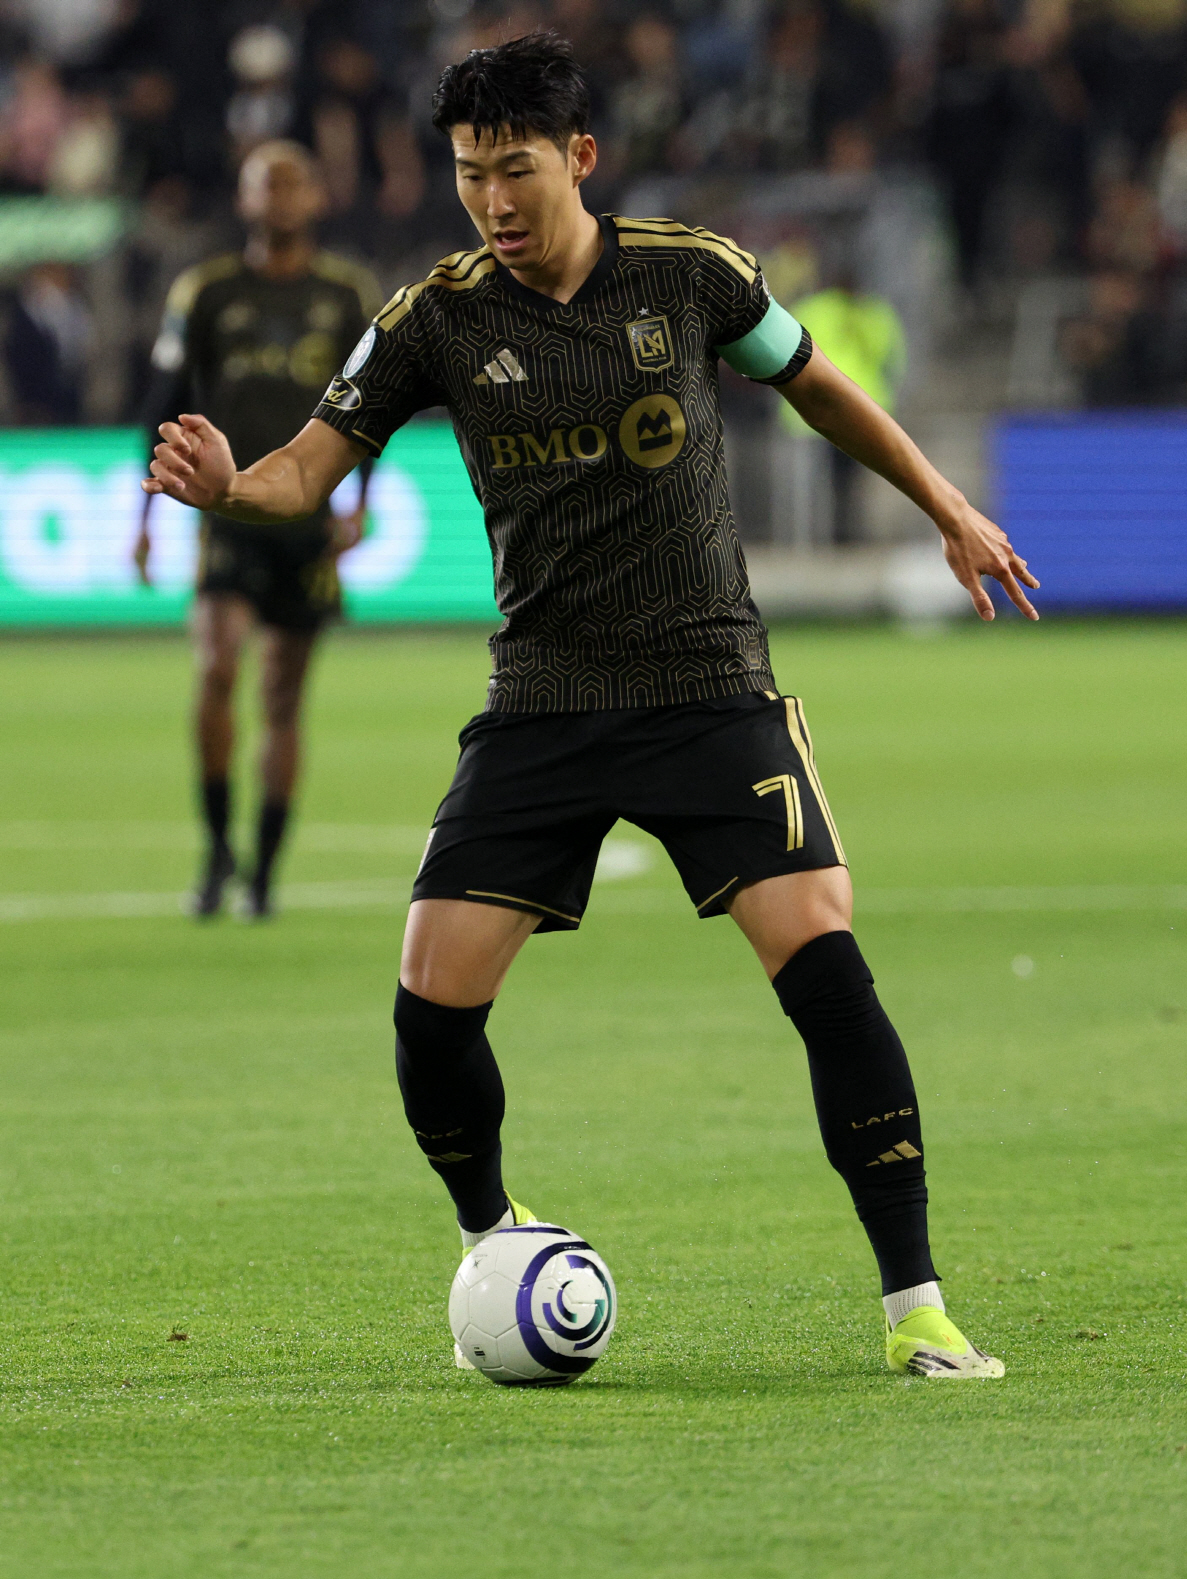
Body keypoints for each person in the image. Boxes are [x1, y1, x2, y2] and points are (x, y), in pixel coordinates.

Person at [143, 35, 1039, 1377]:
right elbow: (303, 469)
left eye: (514, 170)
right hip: (543, 698)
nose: (493, 202)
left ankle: (919, 1307)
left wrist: (950, 507)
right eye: (467, 175)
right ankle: (493, 1238)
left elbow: (817, 385)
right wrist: (227, 488)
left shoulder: (692, 273)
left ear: (578, 158)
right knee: (429, 1008)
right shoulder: (433, 317)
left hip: (705, 688)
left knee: (826, 967)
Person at [135, 140, 380, 918]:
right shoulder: (206, 291)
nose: (277, 199)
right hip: (227, 515)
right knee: (217, 667)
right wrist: (144, 514)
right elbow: (163, 400)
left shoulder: (347, 293)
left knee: (282, 699)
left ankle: (264, 875)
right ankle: (215, 853)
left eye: (290, 185)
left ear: (315, 198)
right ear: (243, 201)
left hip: (307, 518)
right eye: (262, 186)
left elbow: (374, 406)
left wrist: (359, 500)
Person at [783, 262, 907, 543]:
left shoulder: (872, 312)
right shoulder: (819, 309)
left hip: (852, 412)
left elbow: (889, 355)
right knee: (823, 483)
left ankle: (844, 536)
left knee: (849, 482)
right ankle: (821, 539)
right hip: (821, 412)